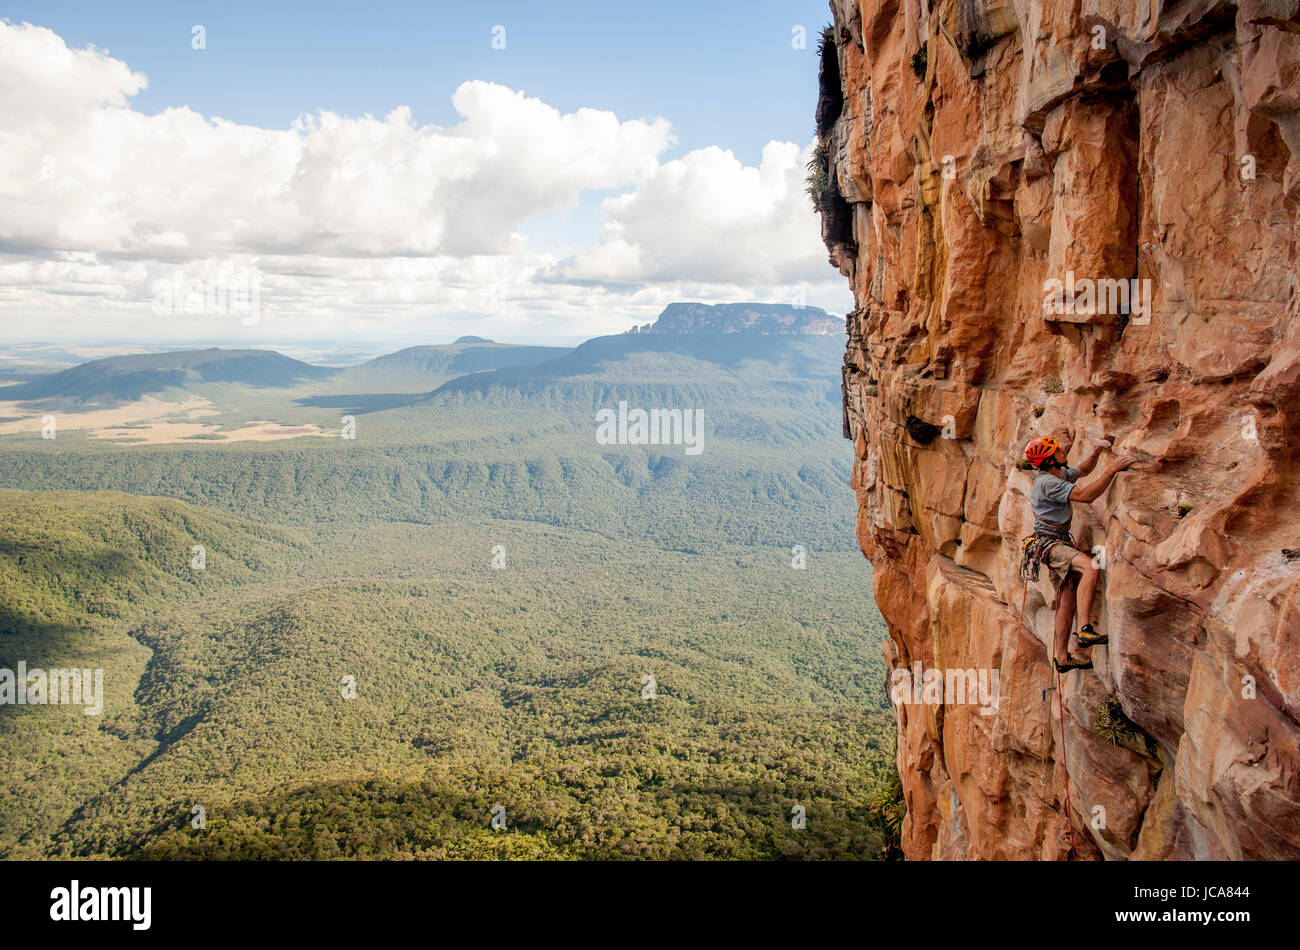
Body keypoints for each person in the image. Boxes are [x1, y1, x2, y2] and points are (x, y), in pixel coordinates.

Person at [1021, 431, 1137, 672]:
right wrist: (1112, 469)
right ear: (1051, 460)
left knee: (1066, 599)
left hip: (1054, 543)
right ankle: (1084, 630)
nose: (1064, 450)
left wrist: (1097, 451)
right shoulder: (1048, 482)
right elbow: (1085, 495)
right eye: (1059, 451)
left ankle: (1062, 658)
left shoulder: (1056, 473)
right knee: (1090, 567)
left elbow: (1082, 470)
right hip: (1051, 545)